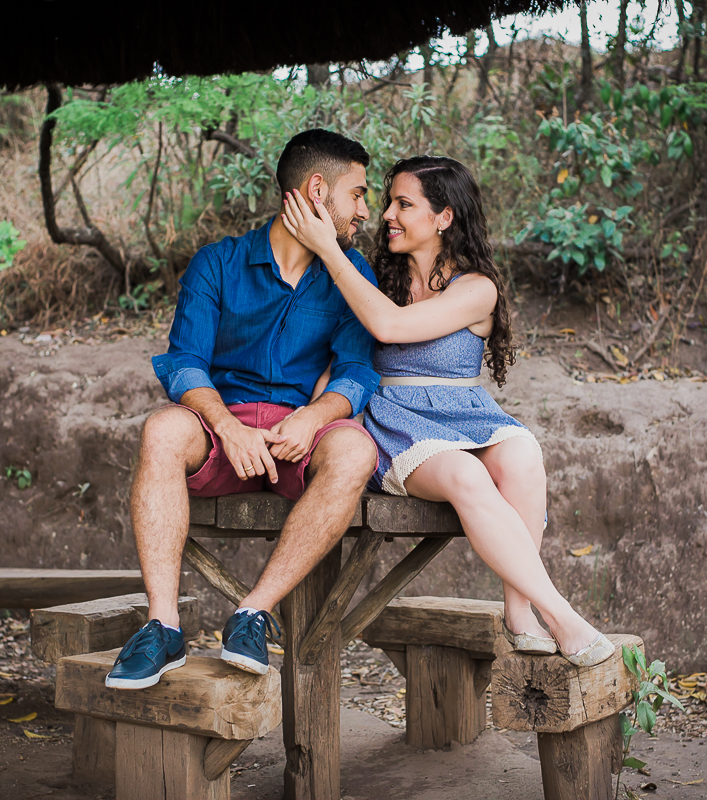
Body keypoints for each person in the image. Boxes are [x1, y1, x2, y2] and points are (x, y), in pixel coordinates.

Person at [280, 155, 614, 666]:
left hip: (467, 412)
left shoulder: (477, 287)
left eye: (403, 203)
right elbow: (351, 344)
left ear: (444, 217)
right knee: (465, 474)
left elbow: (390, 327)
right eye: (387, 200)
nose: (387, 213)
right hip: (395, 421)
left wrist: (330, 250)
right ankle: (564, 616)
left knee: (523, 454)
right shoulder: (372, 279)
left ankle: (519, 612)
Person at [106, 129, 381, 689]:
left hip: (297, 439)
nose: (365, 211)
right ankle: (163, 628)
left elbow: (356, 371)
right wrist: (226, 426)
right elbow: (185, 363)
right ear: (317, 188)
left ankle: (252, 613)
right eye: (358, 194)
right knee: (161, 430)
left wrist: (312, 417)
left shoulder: (351, 272)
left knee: (354, 448)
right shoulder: (218, 264)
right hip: (219, 433)